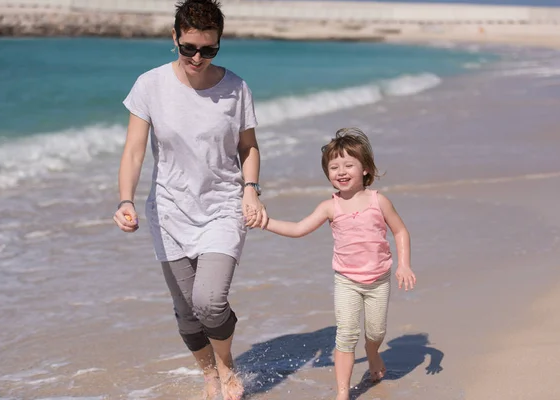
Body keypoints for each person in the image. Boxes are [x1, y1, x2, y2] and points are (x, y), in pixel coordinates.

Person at [112, 1, 268, 399]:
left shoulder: (236, 88)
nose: (197, 57)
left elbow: (248, 148)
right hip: (169, 211)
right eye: (189, 48)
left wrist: (251, 190)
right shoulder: (150, 85)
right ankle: (209, 375)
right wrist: (124, 200)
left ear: (218, 44)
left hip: (222, 206)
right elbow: (133, 151)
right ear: (174, 38)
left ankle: (227, 365)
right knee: (186, 313)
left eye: (208, 49)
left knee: (210, 301)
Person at [262, 127, 416, 400]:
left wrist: (403, 264)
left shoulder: (379, 201)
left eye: (348, 165)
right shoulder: (329, 207)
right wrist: (266, 222)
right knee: (346, 335)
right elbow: (299, 228)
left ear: (366, 169)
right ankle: (343, 393)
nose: (341, 171)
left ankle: (372, 353)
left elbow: (400, 231)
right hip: (346, 280)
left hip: (378, 280)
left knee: (376, 331)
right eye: (334, 167)